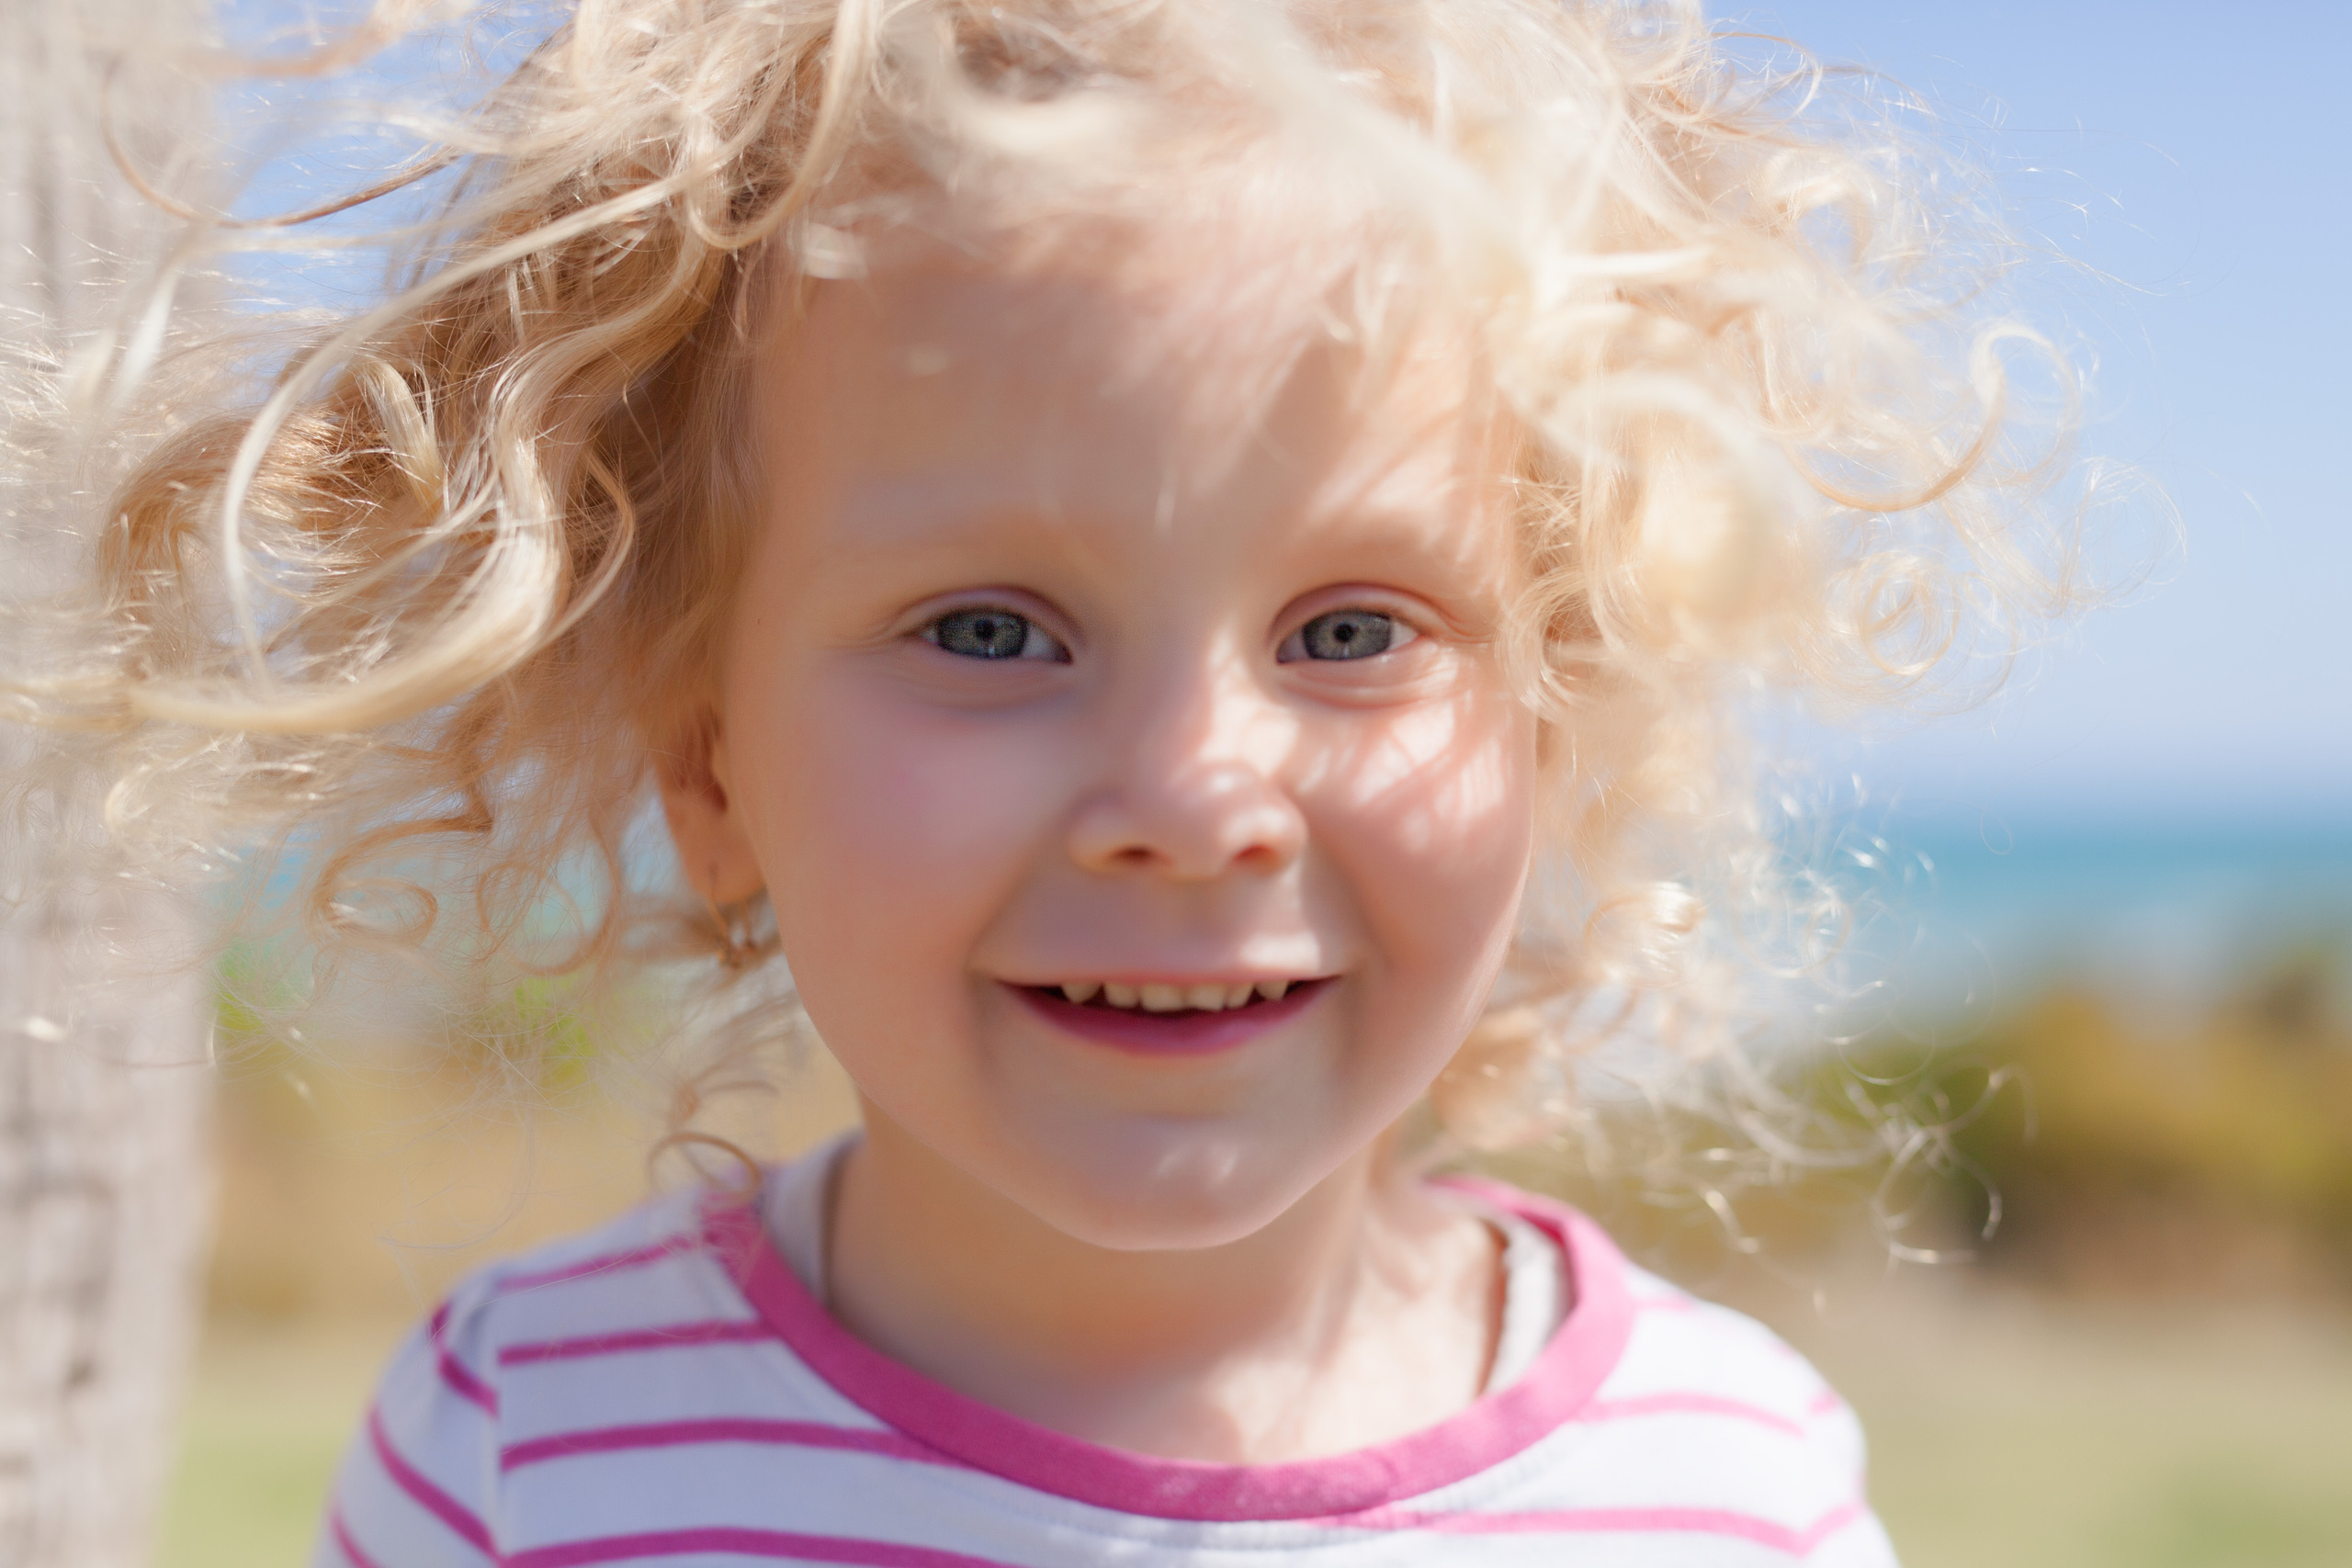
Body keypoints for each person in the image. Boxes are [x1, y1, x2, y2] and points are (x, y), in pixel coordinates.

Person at [36, 0, 2078, 1562]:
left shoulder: (1720, 1492)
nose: (1191, 794)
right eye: (990, 631)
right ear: (708, 763)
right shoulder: (526, 1439)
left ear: (1555, 719)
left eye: (1351, 630)